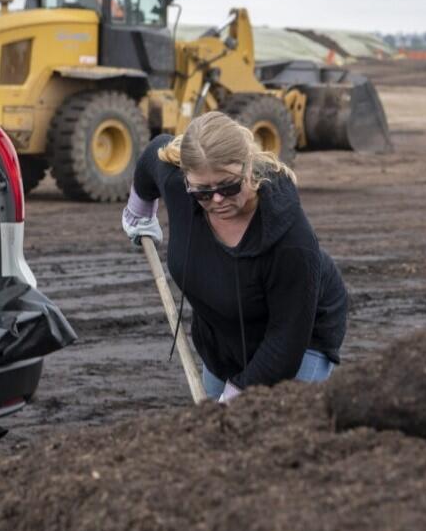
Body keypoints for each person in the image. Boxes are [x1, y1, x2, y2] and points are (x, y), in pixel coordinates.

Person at [122, 111, 348, 402]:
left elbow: (285, 342)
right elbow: (156, 153)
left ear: (248, 167)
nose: (217, 200)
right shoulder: (181, 188)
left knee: (269, 432)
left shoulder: (292, 243)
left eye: (229, 186)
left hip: (299, 342)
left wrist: (235, 399)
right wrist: (138, 210)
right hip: (222, 339)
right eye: (203, 192)